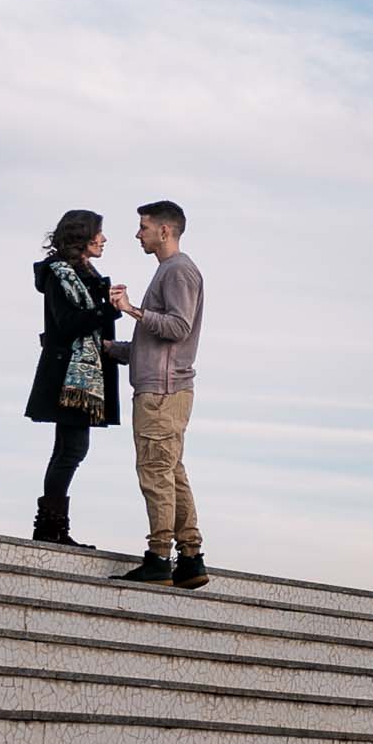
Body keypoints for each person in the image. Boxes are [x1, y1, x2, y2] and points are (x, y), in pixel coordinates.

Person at [107, 201, 207, 589]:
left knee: (155, 473)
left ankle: (159, 557)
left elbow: (178, 327)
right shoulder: (170, 271)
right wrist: (111, 348)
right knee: (171, 471)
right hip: (166, 389)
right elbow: (156, 344)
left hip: (162, 395)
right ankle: (191, 558)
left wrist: (131, 310)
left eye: (143, 227)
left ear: (165, 231)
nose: (138, 234)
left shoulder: (178, 270)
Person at [24, 210, 123, 549]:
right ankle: (51, 529)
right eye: (99, 232)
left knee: (68, 450)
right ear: (82, 236)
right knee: (71, 450)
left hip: (79, 378)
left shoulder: (85, 274)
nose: (104, 239)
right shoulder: (60, 274)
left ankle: (51, 529)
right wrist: (108, 310)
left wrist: (106, 300)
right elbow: (65, 324)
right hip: (67, 378)